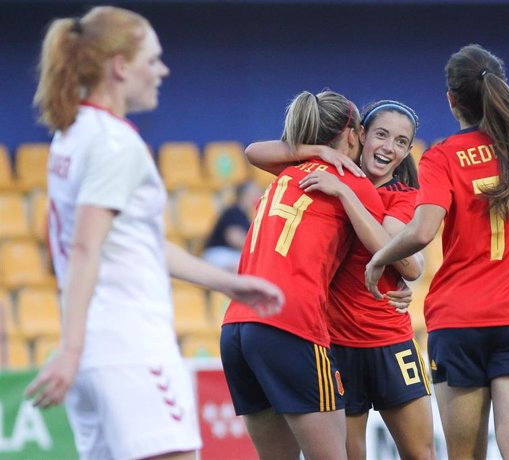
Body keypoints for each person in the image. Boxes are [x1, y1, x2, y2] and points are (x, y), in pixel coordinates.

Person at [25, 7, 284, 460]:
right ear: (121, 67)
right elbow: (85, 247)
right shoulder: (115, 143)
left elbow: (131, 241)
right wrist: (67, 348)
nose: (162, 70)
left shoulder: (72, 134)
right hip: (130, 348)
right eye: (153, 59)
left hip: (98, 355)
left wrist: (228, 282)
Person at [365, 44, 509, 460]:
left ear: (451, 99)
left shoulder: (442, 156)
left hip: (460, 322)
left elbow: (421, 232)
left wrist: (379, 258)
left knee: (464, 455)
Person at [245, 100, 435, 460]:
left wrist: (345, 194)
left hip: (389, 341)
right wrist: (317, 150)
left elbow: (402, 258)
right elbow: (254, 152)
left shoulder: (404, 197)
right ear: (360, 135)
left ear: (408, 150)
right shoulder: (321, 174)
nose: (388, 147)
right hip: (335, 344)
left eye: (400, 141)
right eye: (380, 135)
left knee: (420, 454)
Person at [220, 90, 389, 460]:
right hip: (290, 326)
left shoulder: (285, 174)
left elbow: (252, 151)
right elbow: (389, 254)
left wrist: (313, 151)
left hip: (236, 329)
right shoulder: (351, 181)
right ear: (351, 134)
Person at [202, 180, 262, 272]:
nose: (259, 195)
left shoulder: (243, 214)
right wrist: (258, 248)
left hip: (228, 254)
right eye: (255, 193)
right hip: (217, 253)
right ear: (245, 194)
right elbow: (234, 238)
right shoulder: (233, 212)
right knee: (247, 266)